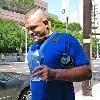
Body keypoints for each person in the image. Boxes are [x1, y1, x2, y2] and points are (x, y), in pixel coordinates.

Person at [25, 9, 92, 100]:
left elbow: (86, 72)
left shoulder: (66, 40)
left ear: (45, 23)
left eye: (33, 27)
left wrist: (55, 74)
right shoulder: (32, 48)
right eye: (28, 29)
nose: (30, 32)